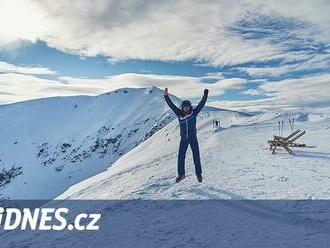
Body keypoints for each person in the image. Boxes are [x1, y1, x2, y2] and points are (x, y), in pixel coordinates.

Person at [163, 87, 209, 183]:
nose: (186, 108)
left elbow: (201, 104)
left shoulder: (193, 113)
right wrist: (166, 96)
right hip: (184, 139)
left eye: (187, 106)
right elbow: (171, 105)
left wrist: (205, 95)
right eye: (184, 107)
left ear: (190, 107)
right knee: (181, 156)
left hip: (193, 138)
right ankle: (181, 174)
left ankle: (198, 174)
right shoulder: (179, 114)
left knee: (196, 156)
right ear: (182, 107)